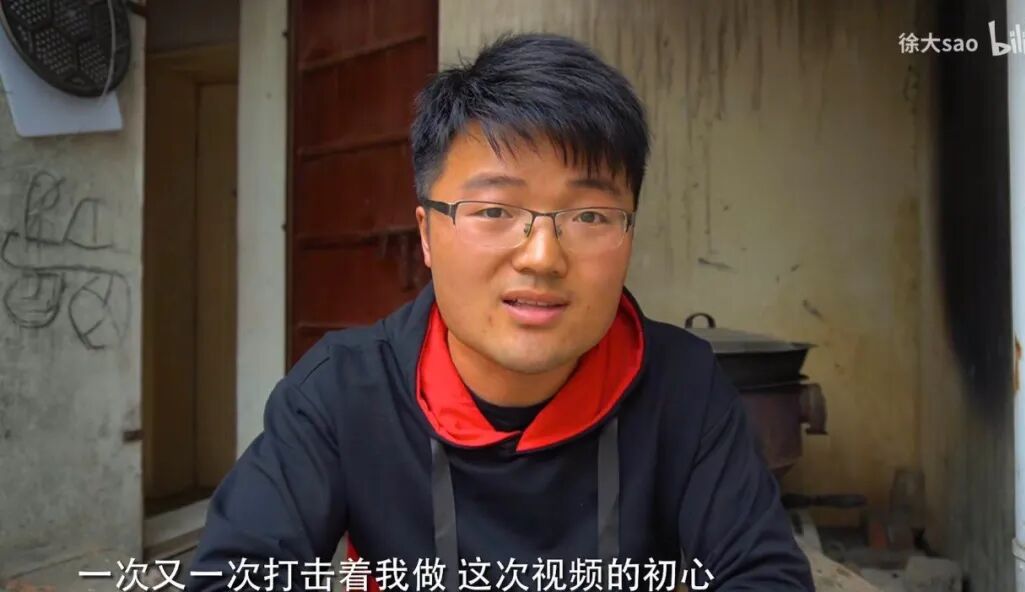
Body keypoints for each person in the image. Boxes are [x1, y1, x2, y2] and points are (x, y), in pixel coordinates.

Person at [188, 33, 814, 591]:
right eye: (494, 211)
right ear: (427, 235)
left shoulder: (682, 384)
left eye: (589, 215)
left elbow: (765, 575)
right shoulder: (342, 393)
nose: (542, 257)